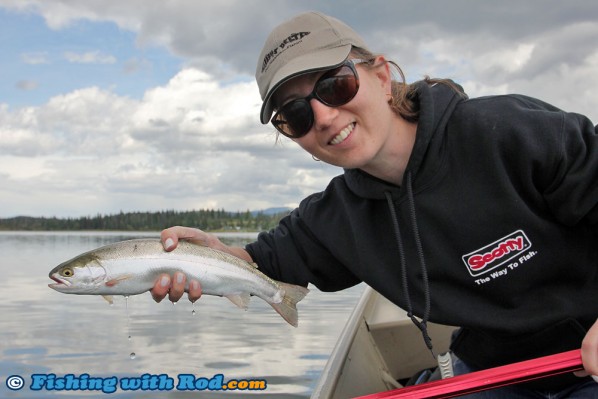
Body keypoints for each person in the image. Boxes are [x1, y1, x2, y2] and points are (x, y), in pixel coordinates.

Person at [150, 11, 598, 398]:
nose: (324, 117)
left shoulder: (508, 132)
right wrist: (208, 258)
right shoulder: (333, 217)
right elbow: (261, 261)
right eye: (297, 115)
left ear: (382, 76)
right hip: (494, 375)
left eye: (336, 85)